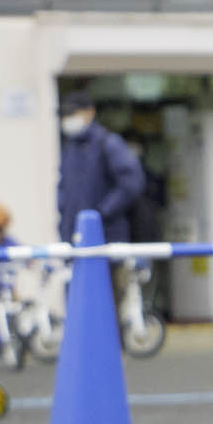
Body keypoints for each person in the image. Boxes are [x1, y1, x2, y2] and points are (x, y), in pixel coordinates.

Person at [55, 87, 144, 316]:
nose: (68, 120)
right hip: (74, 237)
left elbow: (131, 182)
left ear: (89, 113)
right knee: (79, 305)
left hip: (106, 236)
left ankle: (113, 351)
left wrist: (100, 214)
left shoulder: (108, 143)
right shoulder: (70, 147)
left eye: (73, 113)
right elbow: (64, 189)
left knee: (107, 304)